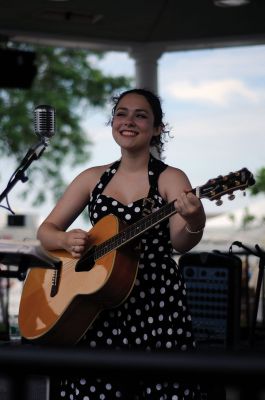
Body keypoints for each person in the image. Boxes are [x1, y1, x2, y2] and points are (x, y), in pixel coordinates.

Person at [37, 88, 206, 399]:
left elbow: (181, 243)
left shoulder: (170, 178)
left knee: (162, 389)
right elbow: (46, 231)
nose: (129, 121)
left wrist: (195, 221)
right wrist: (64, 239)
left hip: (157, 304)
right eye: (121, 113)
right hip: (97, 306)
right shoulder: (92, 178)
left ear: (157, 129)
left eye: (140, 115)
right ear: (112, 122)